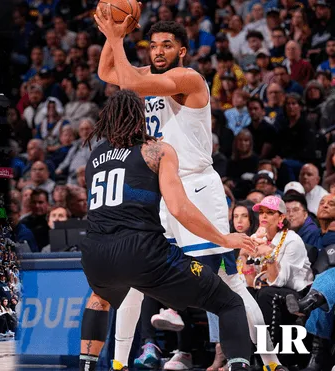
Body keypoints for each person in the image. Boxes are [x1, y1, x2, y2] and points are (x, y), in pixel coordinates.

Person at [94, 8, 285, 370]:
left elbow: (130, 83)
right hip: (160, 191)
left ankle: (270, 360)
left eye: (167, 45)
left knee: (229, 284)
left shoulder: (189, 78)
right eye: (153, 46)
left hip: (196, 186)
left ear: (182, 51)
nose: (159, 52)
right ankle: (119, 364)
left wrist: (118, 37)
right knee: (132, 280)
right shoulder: (146, 75)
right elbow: (107, 73)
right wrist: (111, 35)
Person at [77, 89, 255, 371]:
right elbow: (179, 208)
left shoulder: (95, 156)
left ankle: (89, 367)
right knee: (229, 302)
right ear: (140, 117)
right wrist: (223, 237)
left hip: (95, 254)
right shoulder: (156, 150)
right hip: (142, 252)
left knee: (99, 298)